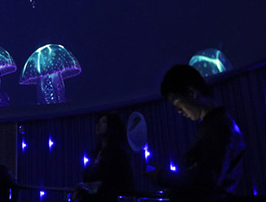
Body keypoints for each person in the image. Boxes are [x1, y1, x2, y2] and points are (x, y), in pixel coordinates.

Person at [148, 64, 245, 201]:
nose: (179, 111)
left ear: (191, 93)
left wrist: (161, 176)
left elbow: (206, 179)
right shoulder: (214, 125)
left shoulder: (219, 126)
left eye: (178, 103)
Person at [76, 113, 134, 201]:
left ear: (111, 127)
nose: (98, 125)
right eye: (98, 122)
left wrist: (101, 185)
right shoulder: (94, 153)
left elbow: (125, 182)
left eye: (104, 122)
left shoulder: (118, 154)